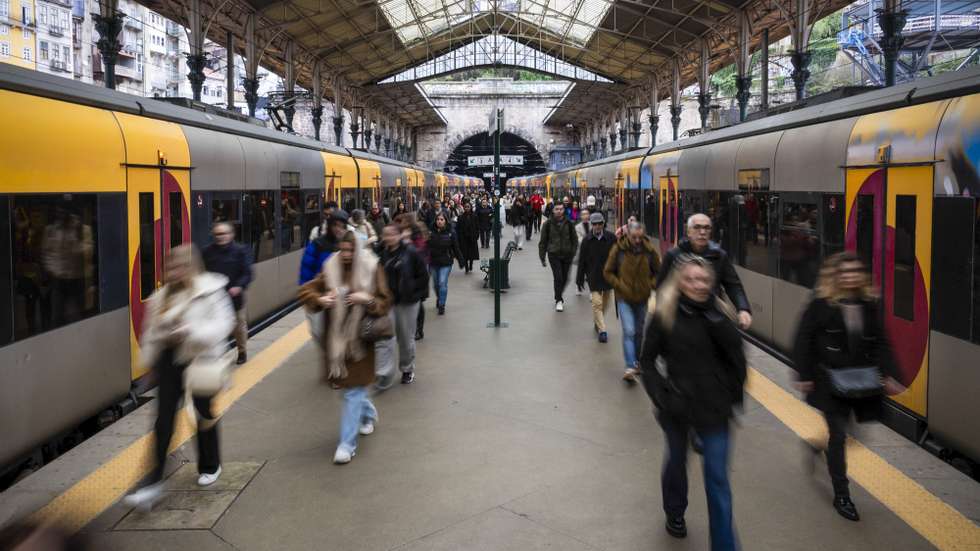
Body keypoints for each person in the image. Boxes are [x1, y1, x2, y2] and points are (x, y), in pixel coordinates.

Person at [640, 255, 746, 550]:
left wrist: (731, 399)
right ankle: (675, 510)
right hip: (677, 409)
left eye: (704, 280)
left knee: (718, 482)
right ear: (679, 282)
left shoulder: (721, 316)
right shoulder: (665, 314)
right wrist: (661, 397)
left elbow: (738, 365)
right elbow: (647, 361)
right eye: (691, 279)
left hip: (714, 412)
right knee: (676, 463)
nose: (698, 285)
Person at [792, 252, 904, 521]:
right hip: (827, 381)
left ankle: (820, 447)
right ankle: (842, 495)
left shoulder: (869, 304)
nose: (850, 276)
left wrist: (890, 374)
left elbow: (881, 342)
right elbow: (802, 340)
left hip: (860, 383)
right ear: (835, 276)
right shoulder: (820, 304)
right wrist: (804, 373)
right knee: (840, 435)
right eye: (845, 271)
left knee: (853, 435)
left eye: (855, 271)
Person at [124, 244, 235, 509]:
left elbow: (224, 324)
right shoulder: (160, 298)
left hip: (200, 358)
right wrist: (154, 355)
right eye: (169, 267)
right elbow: (150, 332)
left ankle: (211, 465)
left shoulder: (210, 291)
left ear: (191, 267)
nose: (172, 272)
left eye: (178, 267)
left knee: (203, 414)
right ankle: (152, 484)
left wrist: (190, 331)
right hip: (169, 362)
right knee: (163, 422)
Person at [298, 232, 393, 464]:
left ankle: (347, 445)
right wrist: (321, 300)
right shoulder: (330, 266)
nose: (347, 255)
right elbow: (307, 290)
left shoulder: (372, 266)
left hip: (361, 341)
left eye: (351, 250)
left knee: (352, 391)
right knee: (349, 390)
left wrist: (367, 300)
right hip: (337, 342)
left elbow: (385, 301)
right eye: (343, 250)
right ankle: (368, 413)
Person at [658, 213, 753, 330]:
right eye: (697, 227)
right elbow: (661, 288)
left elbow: (733, 285)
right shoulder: (673, 256)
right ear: (688, 232)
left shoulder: (719, 256)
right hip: (680, 322)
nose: (702, 232)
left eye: (706, 228)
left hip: (712, 320)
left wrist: (743, 309)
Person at [604, 222, 661, 384]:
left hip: (642, 298)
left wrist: (650, 284)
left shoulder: (650, 251)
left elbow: (659, 272)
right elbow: (608, 272)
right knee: (629, 331)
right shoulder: (619, 250)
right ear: (627, 235)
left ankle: (636, 361)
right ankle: (630, 366)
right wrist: (619, 284)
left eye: (640, 237)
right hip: (624, 298)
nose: (637, 240)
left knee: (639, 332)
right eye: (634, 237)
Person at [379, 224, 429, 385]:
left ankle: (407, 369)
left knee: (406, 339)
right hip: (388, 302)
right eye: (386, 235)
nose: (389, 237)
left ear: (400, 235)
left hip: (408, 302)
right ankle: (384, 372)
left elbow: (423, 275)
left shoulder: (411, 252)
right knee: (385, 338)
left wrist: (413, 291)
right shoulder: (382, 253)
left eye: (392, 234)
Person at [202, 222, 254, 364]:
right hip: (215, 298)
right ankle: (217, 354)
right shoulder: (207, 252)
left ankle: (242, 351)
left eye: (224, 234)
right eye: (217, 234)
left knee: (238, 326)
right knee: (214, 327)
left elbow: (248, 273)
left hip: (235, 297)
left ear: (231, 235)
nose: (221, 237)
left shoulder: (240, 251)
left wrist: (238, 286)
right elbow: (202, 272)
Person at [576, 213, 615, 344]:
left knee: (605, 303)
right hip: (593, 276)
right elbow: (581, 261)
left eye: (600, 223)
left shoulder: (611, 238)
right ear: (591, 225)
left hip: (608, 276)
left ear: (603, 224)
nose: (597, 226)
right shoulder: (587, 240)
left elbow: (617, 257)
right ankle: (602, 331)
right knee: (597, 303)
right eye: (595, 224)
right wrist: (579, 278)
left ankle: (597, 321)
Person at [539, 204, 578, 312]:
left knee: (565, 278)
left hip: (567, 255)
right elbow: (543, 242)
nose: (559, 211)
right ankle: (558, 300)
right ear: (553, 210)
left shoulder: (569, 223)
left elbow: (574, 239)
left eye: (561, 209)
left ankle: (559, 294)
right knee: (558, 277)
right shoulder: (548, 224)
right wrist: (542, 257)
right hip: (553, 254)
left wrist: (573, 251)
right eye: (557, 209)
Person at [299, 209, 351, 285]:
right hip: (320, 289)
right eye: (335, 225)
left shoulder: (349, 245)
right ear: (330, 225)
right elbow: (306, 271)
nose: (338, 229)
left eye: (341, 226)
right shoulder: (317, 244)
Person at [426, 213, 462, 315]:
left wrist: (460, 260)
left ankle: (442, 304)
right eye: (438, 219)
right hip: (433, 262)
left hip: (446, 262)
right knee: (436, 285)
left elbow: (456, 248)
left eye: (442, 219)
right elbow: (426, 248)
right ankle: (439, 297)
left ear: (445, 221)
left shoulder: (451, 233)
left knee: (442, 283)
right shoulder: (430, 233)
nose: (439, 221)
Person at [456, 201, 480, 273]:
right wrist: (459, 237)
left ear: (470, 207)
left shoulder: (474, 216)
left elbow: (477, 227)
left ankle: (471, 264)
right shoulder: (460, 217)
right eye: (465, 207)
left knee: (471, 253)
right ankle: (466, 267)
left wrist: (476, 235)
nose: (467, 208)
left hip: (472, 237)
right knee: (465, 253)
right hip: (464, 238)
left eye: (468, 207)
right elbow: (458, 228)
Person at [571, 208, 591, 294]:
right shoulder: (577, 227)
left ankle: (592, 290)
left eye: (587, 214)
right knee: (580, 271)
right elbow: (579, 239)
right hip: (581, 253)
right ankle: (578, 286)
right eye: (583, 214)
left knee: (591, 272)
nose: (585, 216)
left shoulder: (592, 225)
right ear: (581, 216)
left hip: (591, 253)